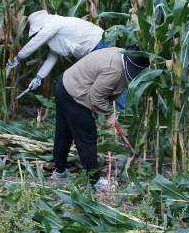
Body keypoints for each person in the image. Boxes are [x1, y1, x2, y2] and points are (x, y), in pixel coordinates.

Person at [50, 45, 150, 190]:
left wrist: (98, 115)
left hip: (65, 84)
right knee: (87, 138)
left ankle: (59, 173)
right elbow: (96, 97)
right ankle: (95, 181)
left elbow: (100, 90)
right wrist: (109, 114)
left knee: (64, 134)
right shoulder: (115, 70)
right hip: (75, 94)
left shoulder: (120, 54)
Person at [8, 10, 130, 110]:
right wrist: (39, 78)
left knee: (112, 80)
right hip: (96, 48)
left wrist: (19, 57)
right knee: (103, 82)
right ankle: (112, 115)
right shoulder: (56, 35)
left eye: (37, 32)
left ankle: (126, 114)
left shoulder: (54, 23)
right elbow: (52, 57)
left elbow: (37, 41)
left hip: (101, 43)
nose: (36, 34)